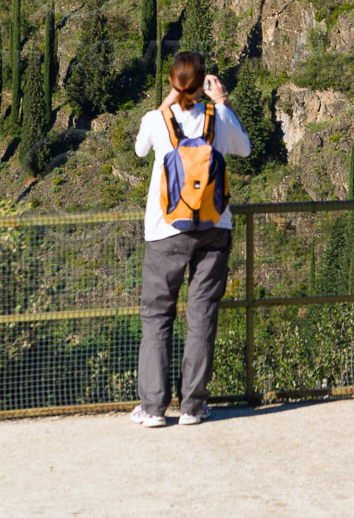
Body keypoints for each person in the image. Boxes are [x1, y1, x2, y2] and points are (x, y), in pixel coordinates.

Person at [131, 50, 250, 427]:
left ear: (172, 83)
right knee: (201, 316)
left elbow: (139, 150)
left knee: (156, 315)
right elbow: (244, 148)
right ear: (203, 85)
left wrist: (167, 101)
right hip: (214, 228)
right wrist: (222, 101)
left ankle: (152, 408)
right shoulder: (219, 117)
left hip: (164, 231)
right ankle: (192, 407)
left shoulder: (156, 119)